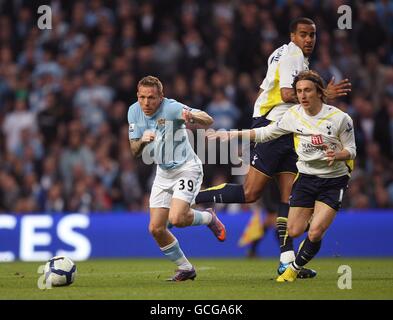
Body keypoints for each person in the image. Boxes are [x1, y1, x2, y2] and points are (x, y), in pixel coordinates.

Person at [195, 17, 351, 278]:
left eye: (312, 35)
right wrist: (324, 94)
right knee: (250, 193)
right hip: (274, 123)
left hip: (290, 127)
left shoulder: (288, 54)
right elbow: (289, 94)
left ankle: (286, 262)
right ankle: (195, 198)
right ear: (293, 36)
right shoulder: (293, 54)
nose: (309, 40)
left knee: (287, 196)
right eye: (303, 34)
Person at [128, 75, 226, 282]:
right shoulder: (134, 112)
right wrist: (143, 141)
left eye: (152, 98)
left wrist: (191, 116)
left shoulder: (172, 108)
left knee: (177, 219)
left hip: (186, 168)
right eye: (142, 97)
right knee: (156, 228)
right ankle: (186, 268)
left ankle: (209, 217)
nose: (146, 103)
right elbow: (134, 150)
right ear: (138, 96)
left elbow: (208, 119)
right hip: (163, 173)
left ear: (161, 97)